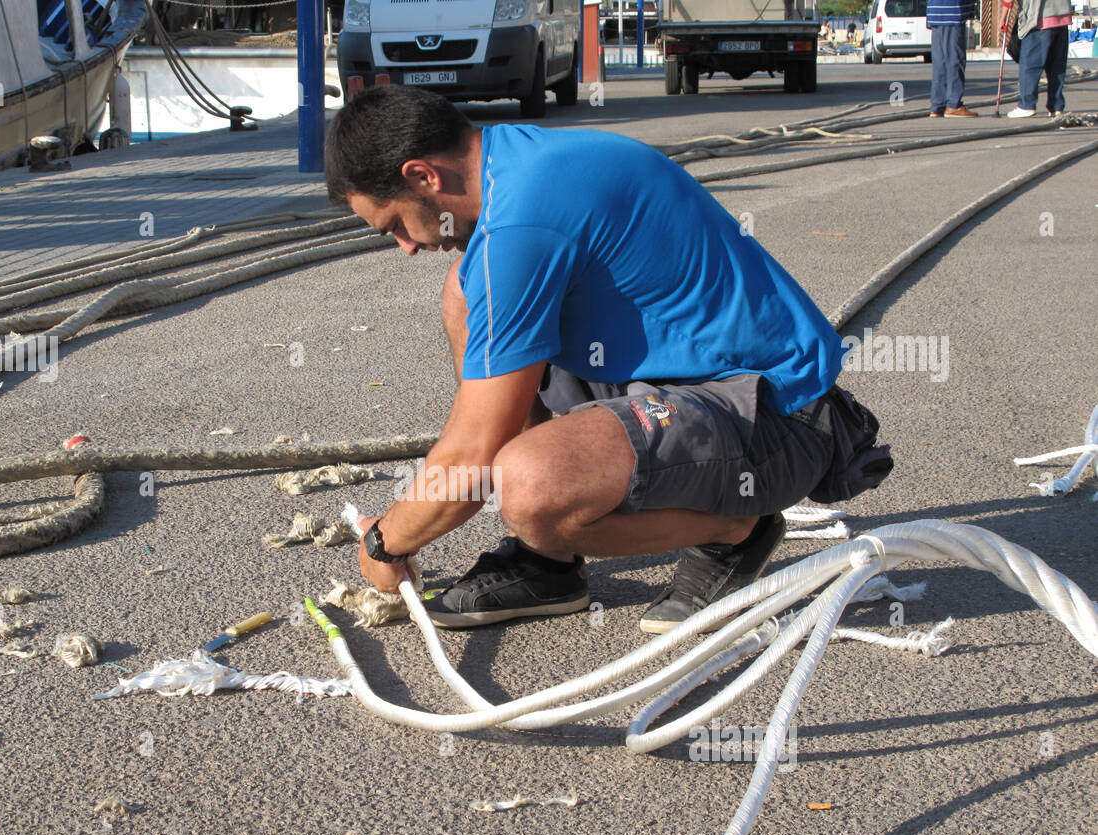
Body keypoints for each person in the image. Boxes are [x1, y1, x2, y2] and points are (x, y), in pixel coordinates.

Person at [323, 87, 892, 632]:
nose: (405, 245)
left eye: (395, 224)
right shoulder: (514, 162)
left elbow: (475, 452)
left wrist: (389, 540)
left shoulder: (523, 223)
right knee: (466, 291)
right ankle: (546, 564)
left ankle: (737, 527)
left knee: (528, 485)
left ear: (423, 174)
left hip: (777, 417)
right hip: (683, 381)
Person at [1007, 0, 1072, 117]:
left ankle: (1027, 104)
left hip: (1039, 18)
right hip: (1062, 15)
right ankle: (1056, 105)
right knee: (1056, 67)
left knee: (1030, 65)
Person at [927, 0, 978, 117]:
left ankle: (938, 104)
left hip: (936, 14)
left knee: (941, 63)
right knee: (954, 60)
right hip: (952, 13)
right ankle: (953, 105)